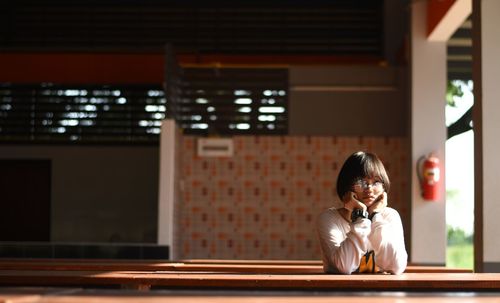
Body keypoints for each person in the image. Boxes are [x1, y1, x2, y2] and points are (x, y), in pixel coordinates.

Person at [317, 151, 407, 274]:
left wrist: (375, 215)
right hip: (339, 291)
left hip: (382, 291)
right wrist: (360, 216)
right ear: (347, 186)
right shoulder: (329, 219)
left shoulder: (390, 216)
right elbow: (344, 266)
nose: (369, 188)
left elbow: (396, 266)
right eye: (361, 182)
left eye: (376, 182)